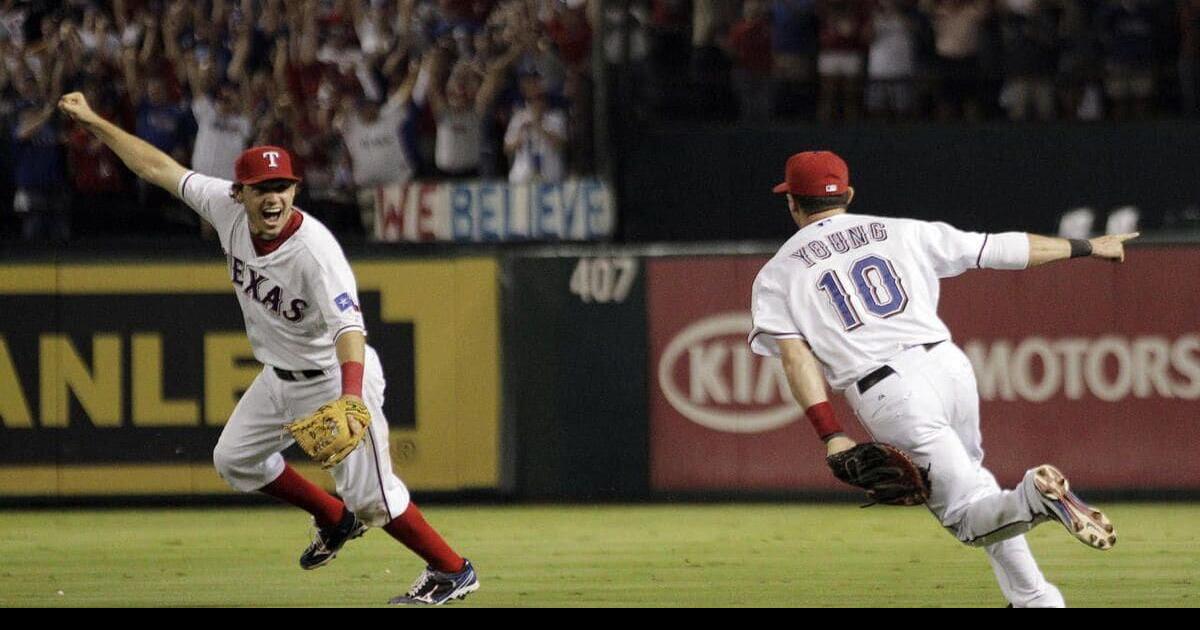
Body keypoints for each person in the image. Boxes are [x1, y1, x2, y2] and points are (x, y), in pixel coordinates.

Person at [57, 91, 479, 607]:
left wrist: (349, 401)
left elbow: (350, 330)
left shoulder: (315, 251)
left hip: (334, 376)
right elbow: (155, 166)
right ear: (240, 193)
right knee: (234, 459)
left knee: (373, 498)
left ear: (295, 189)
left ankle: (451, 570)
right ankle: (331, 518)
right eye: (262, 189)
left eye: (283, 186)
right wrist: (94, 119)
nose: (274, 198)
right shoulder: (222, 206)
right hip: (278, 378)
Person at [749, 151, 1136, 608]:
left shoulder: (777, 273)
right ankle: (1035, 599)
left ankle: (1034, 499)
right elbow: (1001, 249)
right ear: (849, 194)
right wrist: (1089, 246)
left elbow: (795, 359)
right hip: (948, 366)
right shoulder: (904, 231)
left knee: (969, 520)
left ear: (792, 202)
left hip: (888, 390)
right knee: (977, 486)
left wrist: (831, 434)